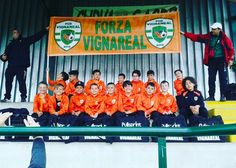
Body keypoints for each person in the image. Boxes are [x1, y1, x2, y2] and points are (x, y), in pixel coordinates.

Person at [180, 22, 235, 101]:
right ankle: (211, 96)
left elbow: (231, 49)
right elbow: (197, 37)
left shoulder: (225, 38)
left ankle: (223, 96)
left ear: (219, 29)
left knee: (223, 79)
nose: (212, 31)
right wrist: (185, 34)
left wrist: (230, 60)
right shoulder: (208, 37)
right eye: (212, 29)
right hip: (212, 60)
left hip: (221, 60)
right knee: (211, 79)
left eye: (214, 29)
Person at [0, 27, 48, 102]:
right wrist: (2, 57)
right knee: (8, 81)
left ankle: (23, 97)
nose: (15, 34)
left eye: (16, 32)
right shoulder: (10, 44)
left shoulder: (25, 41)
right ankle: (7, 97)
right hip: (11, 66)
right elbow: (5, 55)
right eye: (13, 33)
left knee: (21, 82)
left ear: (19, 33)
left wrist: (45, 30)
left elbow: (36, 37)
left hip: (21, 67)